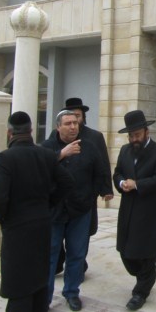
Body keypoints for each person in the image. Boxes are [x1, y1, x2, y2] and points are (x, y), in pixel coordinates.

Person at [0, 111, 74, 312]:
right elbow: (67, 182)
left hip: (16, 229)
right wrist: (48, 205)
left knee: (19, 287)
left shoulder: (5, 158)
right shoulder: (45, 154)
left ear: (9, 133)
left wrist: (4, 219)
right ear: (31, 131)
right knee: (38, 281)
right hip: (42, 225)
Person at [41, 110, 113, 311]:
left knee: (77, 254)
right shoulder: (47, 147)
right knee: (50, 255)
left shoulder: (89, 147)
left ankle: (72, 292)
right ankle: (44, 298)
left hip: (80, 210)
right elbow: (40, 170)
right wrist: (61, 154)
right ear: (58, 127)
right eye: (68, 123)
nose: (73, 126)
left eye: (75, 123)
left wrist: (102, 190)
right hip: (54, 211)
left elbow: (100, 170)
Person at [113, 110, 156, 311]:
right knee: (126, 253)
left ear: (146, 132)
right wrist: (120, 182)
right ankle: (144, 278)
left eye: (137, 135)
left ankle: (141, 292)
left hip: (148, 211)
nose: (133, 139)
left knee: (146, 253)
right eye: (130, 136)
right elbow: (117, 172)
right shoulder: (125, 151)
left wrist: (137, 184)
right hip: (128, 209)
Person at [50, 97, 112, 275]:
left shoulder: (94, 137)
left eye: (77, 117)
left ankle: (77, 270)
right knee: (55, 240)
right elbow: (46, 159)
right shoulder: (53, 139)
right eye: (69, 119)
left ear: (83, 117)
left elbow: (103, 164)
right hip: (59, 200)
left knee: (81, 237)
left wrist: (106, 188)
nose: (74, 123)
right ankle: (60, 264)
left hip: (84, 195)